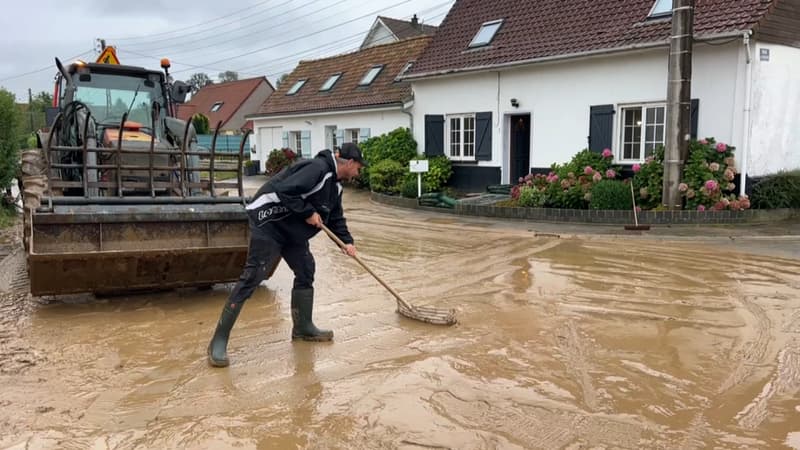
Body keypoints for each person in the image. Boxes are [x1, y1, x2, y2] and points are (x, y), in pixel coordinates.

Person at [207, 143, 367, 367]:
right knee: (253, 276)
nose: (358, 172)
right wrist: (307, 212)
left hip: (291, 227)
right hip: (268, 222)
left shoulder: (336, 187)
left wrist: (347, 242)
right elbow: (285, 189)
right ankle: (218, 341)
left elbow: (335, 218)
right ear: (350, 163)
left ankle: (303, 328)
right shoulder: (318, 169)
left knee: (305, 270)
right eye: (358, 168)